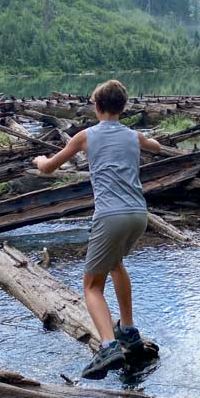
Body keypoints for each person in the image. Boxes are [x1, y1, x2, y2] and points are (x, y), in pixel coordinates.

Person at [32, 78, 161, 378]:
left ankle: (108, 345)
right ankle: (127, 329)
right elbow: (154, 145)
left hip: (110, 216)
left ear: (96, 106)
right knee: (116, 264)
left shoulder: (85, 136)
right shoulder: (132, 135)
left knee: (91, 285)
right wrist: (152, 142)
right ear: (123, 107)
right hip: (138, 215)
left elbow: (50, 167)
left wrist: (39, 161)